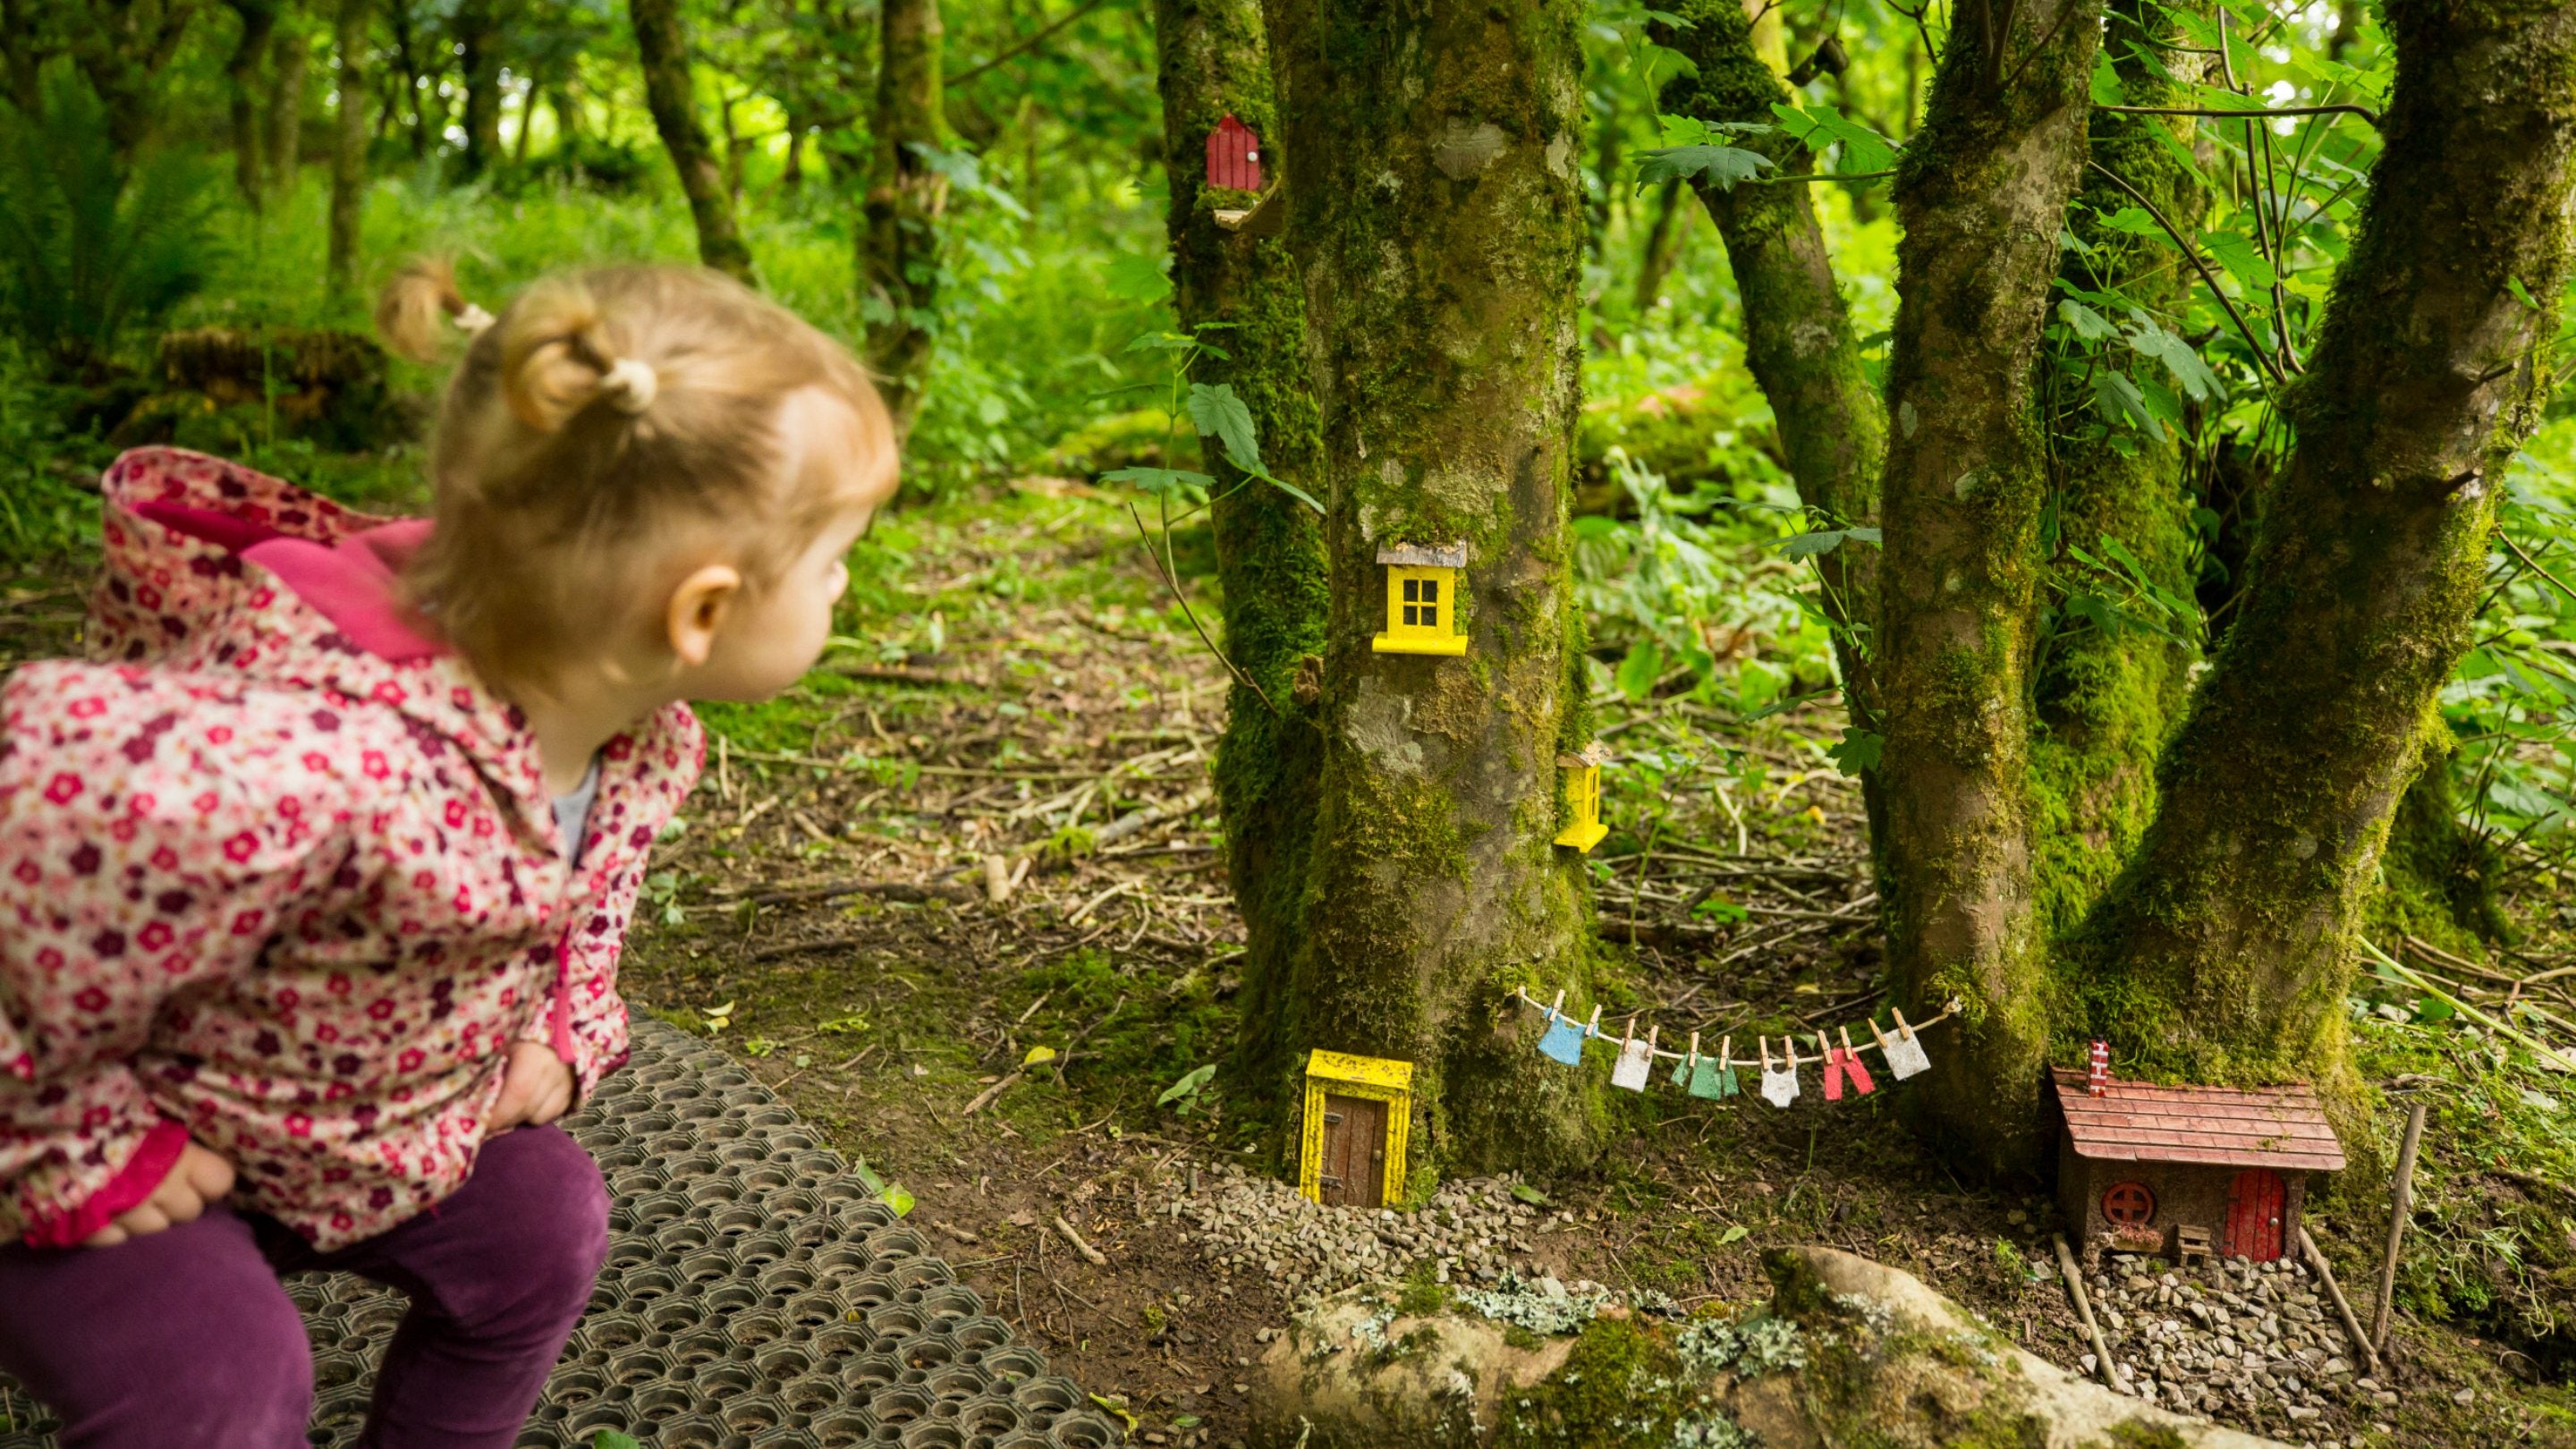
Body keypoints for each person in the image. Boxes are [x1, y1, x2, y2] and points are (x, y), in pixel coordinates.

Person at [0, 261, 900, 1448]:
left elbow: (589, 901)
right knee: (223, 1378)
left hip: (347, 1121)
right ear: (701, 610)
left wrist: (567, 1036)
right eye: (835, 559)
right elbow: (29, 832)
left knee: (545, 1227)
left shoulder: (632, 738)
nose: (842, 583)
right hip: (128, 1133)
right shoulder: (323, 766)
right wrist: (77, 1150)